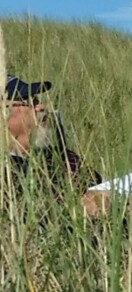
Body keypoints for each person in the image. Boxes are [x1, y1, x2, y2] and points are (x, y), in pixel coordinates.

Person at [3, 76, 105, 216]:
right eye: (29, 101)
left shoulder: (61, 157)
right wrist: (78, 209)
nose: (41, 107)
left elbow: (94, 181)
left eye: (37, 100)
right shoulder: (5, 171)